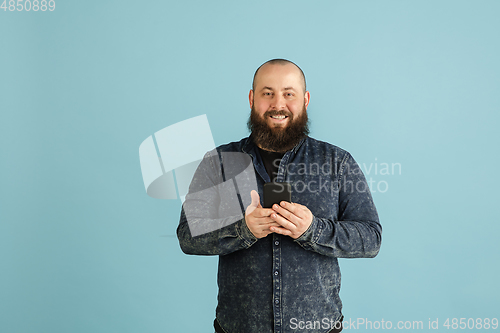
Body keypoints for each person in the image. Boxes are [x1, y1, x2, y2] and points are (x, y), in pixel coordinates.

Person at [177, 59, 381, 333]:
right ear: (252, 98)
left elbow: (370, 239)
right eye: (267, 93)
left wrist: (313, 230)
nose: (278, 104)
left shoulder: (337, 162)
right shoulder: (220, 161)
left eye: (288, 93)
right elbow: (188, 236)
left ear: (305, 99)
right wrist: (243, 230)